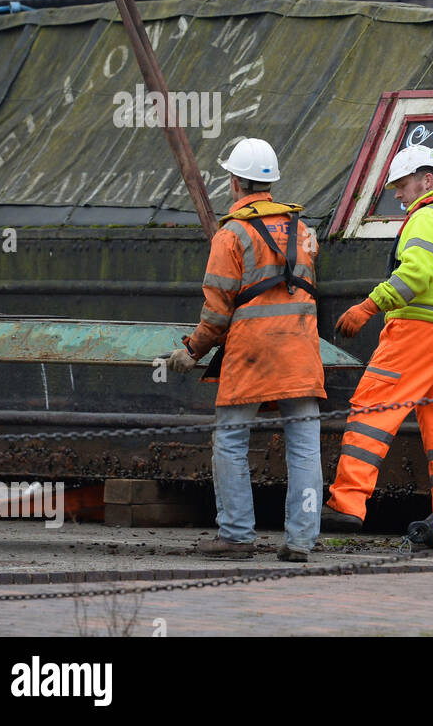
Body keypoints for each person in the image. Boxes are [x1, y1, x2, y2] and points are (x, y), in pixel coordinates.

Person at [167, 137, 325, 561]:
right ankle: (301, 541)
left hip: (252, 355)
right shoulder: (304, 231)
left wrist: (192, 351)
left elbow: (218, 310)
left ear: (235, 182)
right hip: (301, 352)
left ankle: (236, 536)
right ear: (270, 183)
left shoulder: (231, 234)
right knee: (306, 446)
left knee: (232, 440)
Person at [321, 145, 433, 532]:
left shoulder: (427, 216)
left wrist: (367, 307)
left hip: (420, 330)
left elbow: (415, 277)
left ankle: (346, 504)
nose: (397, 194)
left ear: (427, 180)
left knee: (373, 410)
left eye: (402, 184)